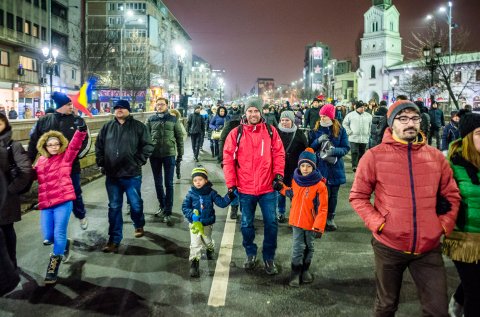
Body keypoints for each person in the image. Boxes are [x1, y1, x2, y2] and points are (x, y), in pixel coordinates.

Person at [350, 100, 461, 316]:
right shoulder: (373, 156)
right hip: (389, 246)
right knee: (386, 306)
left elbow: (452, 195)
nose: (410, 123)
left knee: (437, 309)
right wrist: (379, 224)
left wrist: (442, 226)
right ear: (391, 124)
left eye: (415, 118)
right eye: (403, 119)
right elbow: (358, 197)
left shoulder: (436, 157)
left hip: (428, 248)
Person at [223, 97, 285, 275]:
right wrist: (231, 184)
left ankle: (268, 257)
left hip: (268, 188)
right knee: (246, 224)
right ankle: (250, 253)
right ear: (245, 112)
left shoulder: (271, 131)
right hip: (245, 188)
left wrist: (278, 175)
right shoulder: (236, 133)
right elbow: (228, 160)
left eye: (256, 111)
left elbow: (279, 154)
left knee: (271, 224)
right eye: (250, 111)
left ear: (261, 112)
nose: (253, 114)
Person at [96, 100, 153, 253]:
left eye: (122, 108)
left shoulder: (139, 127)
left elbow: (148, 145)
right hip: (112, 175)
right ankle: (114, 239)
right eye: (117, 108)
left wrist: (138, 161)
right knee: (114, 207)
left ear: (128, 110)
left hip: (131, 174)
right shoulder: (107, 127)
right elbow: (99, 146)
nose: (119, 110)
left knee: (135, 203)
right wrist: (101, 162)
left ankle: (138, 223)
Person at [28, 92, 91, 230]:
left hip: (70, 166)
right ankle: (55, 229)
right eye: (69, 104)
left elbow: (86, 142)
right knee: (51, 193)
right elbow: (34, 143)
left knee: (75, 192)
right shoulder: (44, 121)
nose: (72, 106)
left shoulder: (78, 121)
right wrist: (28, 163)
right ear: (61, 106)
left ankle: (80, 215)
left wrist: (73, 158)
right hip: (49, 168)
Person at [34, 125, 87, 283]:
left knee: (58, 234)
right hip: (46, 203)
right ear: (44, 146)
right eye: (50, 144)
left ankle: (53, 268)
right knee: (48, 236)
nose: (53, 147)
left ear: (61, 144)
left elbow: (75, 145)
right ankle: (65, 245)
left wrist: (81, 131)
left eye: (56, 144)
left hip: (63, 201)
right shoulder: (41, 161)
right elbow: (30, 174)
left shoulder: (66, 157)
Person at [443, 111, 480, 317]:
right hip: (464, 238)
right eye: (479, 133)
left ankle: (457, 300)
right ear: (467, 137)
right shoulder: (452, 164)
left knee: (472, 285)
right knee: (477, 293)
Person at [279, 148, 328, 287]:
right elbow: (290, 193)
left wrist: (319, 227)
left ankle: (305, 270)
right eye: (302, 165)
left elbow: (322, 208)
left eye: (308, 166)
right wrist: (280, 188)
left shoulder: (320, 186)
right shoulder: (296, 180)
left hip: (311, 223)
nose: (305, 169)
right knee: (297, 247)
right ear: (299, 166)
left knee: (309, 246)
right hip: (296, 221)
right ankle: (295, 272)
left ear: (313, 167)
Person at [182, 166, 235, 277]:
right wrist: (191, 215)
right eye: (195, 180)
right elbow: (185, 207)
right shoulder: (191, 194)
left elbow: (221, 203)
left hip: (207, 223)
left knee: (207, 240)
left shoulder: (211, 193)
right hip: (194, 224)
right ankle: (194, 262)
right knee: (195, 243)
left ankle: (210, 248)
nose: (198, 182)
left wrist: (229, 196)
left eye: (200, 179)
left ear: (206, 180)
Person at [0, 113, 33, 270]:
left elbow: (26, 170)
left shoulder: (13, 146)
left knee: (7, 232)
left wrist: (10, 189)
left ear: (6, 125)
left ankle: (11, 265)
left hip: (5, 198)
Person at [310, 104, 350, 231]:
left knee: (333, 195)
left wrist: (334, 151)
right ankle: (319, 218)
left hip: (335, 168)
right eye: (321, 116)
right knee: (319, 195)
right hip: (320, 168)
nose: (322, 119)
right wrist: (317, 141)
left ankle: (330, 218)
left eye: (325, 116)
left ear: (331, 117)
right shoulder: (315, 130)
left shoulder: (340, 130)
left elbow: (345, 148)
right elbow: (310, 147)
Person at [146, 97, 184, 226]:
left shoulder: (173, 119)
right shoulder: (151, 119)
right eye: (158, 104)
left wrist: (180, 155)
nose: (160, 106)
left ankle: (168, 211)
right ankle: (162, 206)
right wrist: (146, 152)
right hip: (155, 155)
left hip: (169, 154)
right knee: (158, 183)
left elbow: (179, 138)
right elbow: (145, 138)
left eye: (162, 104)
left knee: (169, 183)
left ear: (167, 106)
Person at [276, 110, 308, 223]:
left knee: (294, 193)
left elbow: (306, 150)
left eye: (287, 120)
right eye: (282, 120)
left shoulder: (299, 134)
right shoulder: (276, 133)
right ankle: (281, 212)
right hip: (280, 168)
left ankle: (294, 213)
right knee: (281, 191)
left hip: (295, 168)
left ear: (292, 121)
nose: (284, 122)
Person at [218, 110, 242, 219]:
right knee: (234, 186)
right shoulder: (238, 126)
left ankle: (235, 207)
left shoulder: (230, 125)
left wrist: (221, 158)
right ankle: (235, 207)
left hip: (237, 160)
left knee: (233, 186)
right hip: (233, 160)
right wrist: (222, 158)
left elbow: (221, 140)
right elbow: (223, 140)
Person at [342, 101, 372, 172]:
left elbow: (371, 125)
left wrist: (369, 132)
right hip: (353, 137)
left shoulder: (368, 116)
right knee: (354, 152)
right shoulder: (350, 115)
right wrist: (349, 131)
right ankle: (354, 166)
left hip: (364, 138)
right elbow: (345, 124)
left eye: (363, 107)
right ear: (357, 107)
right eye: (361, 107)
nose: (363, 108)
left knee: (362, 152)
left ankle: (360, 165)